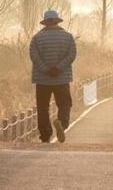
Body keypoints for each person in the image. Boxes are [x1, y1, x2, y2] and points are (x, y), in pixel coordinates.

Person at [29, 9, 76, 143]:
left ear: (45, 23)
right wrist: (58, 68)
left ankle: (45, 135)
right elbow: (71, 55)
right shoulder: (68, 37)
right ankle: (61, 123)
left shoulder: (36, 38)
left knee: (43, 107)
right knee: (65, 104)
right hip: (62, 79)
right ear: (57, 21)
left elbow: (34, 57)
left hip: (42, 80)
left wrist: (46, 70)